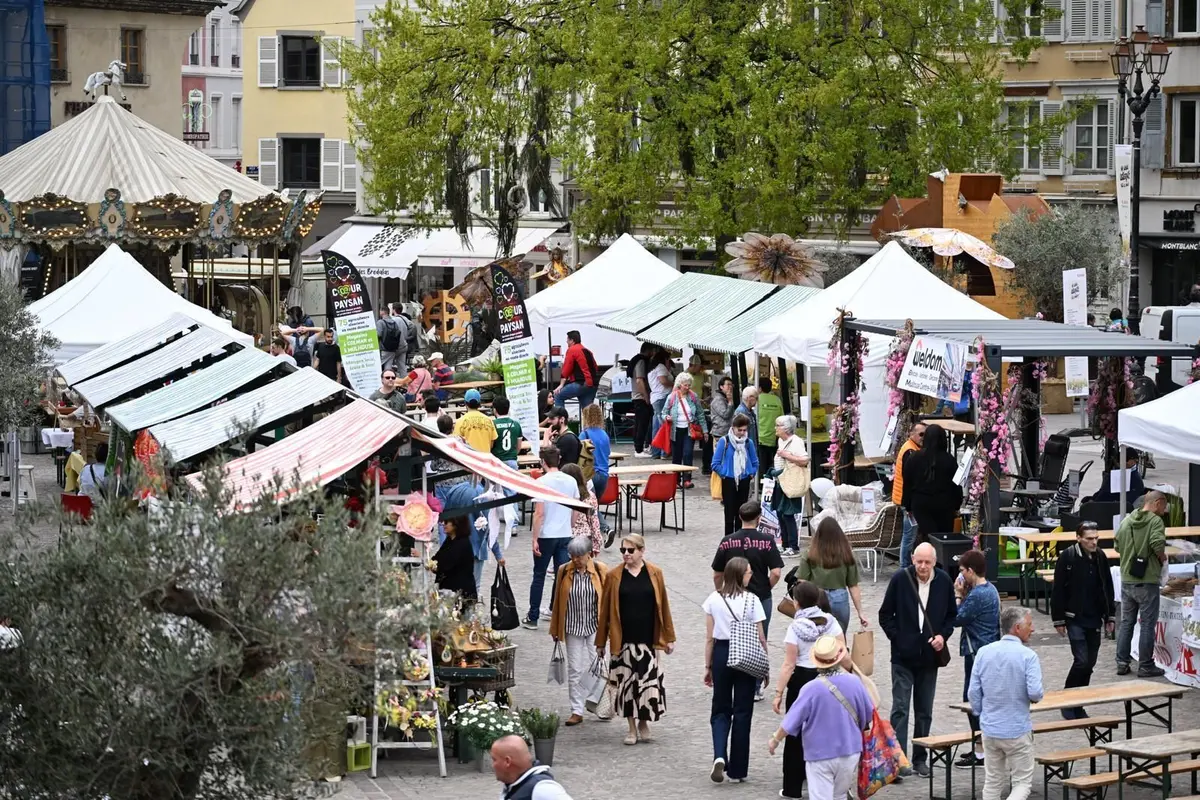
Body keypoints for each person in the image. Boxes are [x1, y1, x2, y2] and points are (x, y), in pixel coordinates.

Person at [878, 541, 956, 778]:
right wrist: (898, 639)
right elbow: (885, 615)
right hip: (902, 657)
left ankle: (920, 758)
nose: (922, 566)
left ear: (934, 562)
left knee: (924, 710)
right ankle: (898, 760)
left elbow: (951, 616)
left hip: (929, 658)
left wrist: (943, 635)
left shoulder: (943, 581)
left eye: (927, 562)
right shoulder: (900, 580)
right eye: (919, 561)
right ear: (912, 559)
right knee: (900, 708)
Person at [768, 635, 874, 800]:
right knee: (839, 796)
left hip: (820, 754)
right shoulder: (855, 683)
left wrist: (775, 739)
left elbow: (792, 721)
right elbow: (867, 714)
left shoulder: (810, 689)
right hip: (850, 750)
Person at [595, 533, 676, 746]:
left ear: (642, 551)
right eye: (623, 551)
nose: (626, 555)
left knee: (648, 686)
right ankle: (631, 728)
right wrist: (601, 642)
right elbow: (605, 611)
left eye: (630, 550)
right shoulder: (614, 576)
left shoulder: (655, 573)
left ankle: (643, 722)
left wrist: (668, 637)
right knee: (627, 688)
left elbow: (663, 607)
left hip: (648, 641)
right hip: (624, 641)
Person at [772, 582, 846, 800]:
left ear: (796, 603)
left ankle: (792, 787)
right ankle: (830, 783)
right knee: (826, 728)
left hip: (802, 680)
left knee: (795, 731)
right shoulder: (831, 622)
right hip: (827, 676)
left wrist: (778, 693)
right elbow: (842, 650)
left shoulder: (795, 628)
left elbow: (789, 664)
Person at [967, 607, 1044, 800]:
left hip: (990, 729)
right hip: (1017, 728)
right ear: (1017, 628)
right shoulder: (1028, 656)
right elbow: (1035, 692)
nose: (1032, 629)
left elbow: (973, 693)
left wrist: (981, 713)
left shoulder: (983, 653)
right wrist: (1033, 698)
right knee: (1022, 783)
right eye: (1029, 624)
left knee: (992, 781)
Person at [704, 557, 768, 784]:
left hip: (722, 652)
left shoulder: (714, 599)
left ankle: (720, 754)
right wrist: (764, 666)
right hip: (746, 654)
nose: (751, 576)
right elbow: (761, 637)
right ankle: (738, 770)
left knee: (720, 708)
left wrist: (708, 666)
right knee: (743, 712)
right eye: (749, 572)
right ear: (741, 575)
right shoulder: (753, 600)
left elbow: (709, 638)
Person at [711, 501, 784, 699]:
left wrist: (721, 592)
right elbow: (776, 572)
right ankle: (755, 685)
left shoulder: (727, 541)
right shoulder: (767, 540)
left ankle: (730, 677)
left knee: (729, 636)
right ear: (759, 518)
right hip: (760, 598)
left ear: (740, 517)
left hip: (731, 595)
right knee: (759, 639)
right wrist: (766, 586)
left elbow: (717, 573)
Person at [1052, 522, 1116, 718]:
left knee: (1090, 663)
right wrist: (1059, 619)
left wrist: (1110, 615)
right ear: (1078, 538)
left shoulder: (1100, 557)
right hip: (1074, 617)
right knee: (1081, 661)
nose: (1094, 542)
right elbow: (1058, 589)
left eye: (1096, 538)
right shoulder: (1068, 557)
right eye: (1089, 538)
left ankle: (1079, 701)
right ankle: (1068, 700)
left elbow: (1107, 586)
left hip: (1094, 617)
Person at [550, 535, 609, 726]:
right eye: (572, 555)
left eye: (579, 556)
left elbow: (608, 601)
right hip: (572, 626)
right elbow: (557, 600)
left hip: (595, 626)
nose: (575, 560)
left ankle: (600, 704)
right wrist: (555, 629)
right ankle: (577, 710)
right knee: (574, 669)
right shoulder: (563, 571)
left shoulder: (600, 570)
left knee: (597, 667)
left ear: (588, 554)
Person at [953, 549, 1001, 769]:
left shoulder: (978, 594)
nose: (961, 575)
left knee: (972, 699)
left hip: (976, 653)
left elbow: (958, 617)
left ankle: (982, 750)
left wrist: (958, 594)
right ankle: (981, 746)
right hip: (989, 650)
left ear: (971, 571)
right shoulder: (991, 589)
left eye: (962, 571)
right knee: (982, 699)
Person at [523, 446, 580, 630]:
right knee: (561, 575)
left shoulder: (541, 482)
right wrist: (570, 526)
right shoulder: (571, 481)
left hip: (547, 534)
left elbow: (539, 513)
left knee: (539, 575)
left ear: (543, 462)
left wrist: (534, 538)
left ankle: (533, 616)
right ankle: (558, 612)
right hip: (564, 533)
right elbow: (575, 508)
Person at [1115, 490, 1168, 678]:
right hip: (1147, 581)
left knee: (1127, 622)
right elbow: (1156, 543)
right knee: (1147, 624)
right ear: (1157, 502)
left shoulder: (1127, 521)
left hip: (1127, 579)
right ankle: (1146, 665)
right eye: (1164, 504)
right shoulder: (1155, 521)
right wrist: (1162, 557)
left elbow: (1116, 545)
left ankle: (1122, 662)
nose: (1165, 509)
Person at [797, 518, 868, 635]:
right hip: (840, 597)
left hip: (817, 598)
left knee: (818, 637)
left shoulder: (810, 553)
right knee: (840, 635)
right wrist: (860, 612)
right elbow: (853, 586)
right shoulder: (847, 554)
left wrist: (800, 607)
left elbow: (802, 582)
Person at [434, 476, 505, 593]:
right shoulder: (483, 495)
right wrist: (498, 554)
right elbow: (488, 528)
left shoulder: (455, 490)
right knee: (473, 588)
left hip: (455, 545)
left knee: (453, 585)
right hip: (475, 547)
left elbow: (445, 517)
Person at [901, 424, 962, 548]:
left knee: (927, 536)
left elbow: (907, 483)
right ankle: (941, 564)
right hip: (944, 505)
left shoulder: (914, 458)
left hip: (921, 504)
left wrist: (907, 505)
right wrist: (957, 505)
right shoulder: (949, 460)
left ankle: (925, 560)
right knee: (943, 539)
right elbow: (956, 485)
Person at [711, 413, 760, 535]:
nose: (742, 433)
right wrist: (724, 474)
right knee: (729, 512)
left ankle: (740, 536)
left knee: (742, 511)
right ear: (733, 428)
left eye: (744, 430)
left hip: (744, 479)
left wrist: (751, 473)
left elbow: (755, 462)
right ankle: (728, 538)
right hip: (729, 479)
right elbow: (715, 463)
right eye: (740, 430)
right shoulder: (725, 441)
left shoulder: (748, 443)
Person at [768, 415, 809, 557]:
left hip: (791, 482)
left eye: (777, 425)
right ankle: (785, 544)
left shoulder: (796, 442)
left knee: (788, 514)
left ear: (785, 428)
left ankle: (793, 546)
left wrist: (786, 455)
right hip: (781, 481)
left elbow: (804, 460)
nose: (775, 428)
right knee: (780, 513)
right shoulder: (781, 440)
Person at [491, 733, 574, 799]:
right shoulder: (513, 785)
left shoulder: (543, 789)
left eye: (494, 759)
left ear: (507, 761)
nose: (493, 765)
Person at [662, 372, 707, 488]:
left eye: (689, 385)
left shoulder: (693, 397)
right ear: (679, 384)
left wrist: (705, 430)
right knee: (676, 455)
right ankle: (676, 480)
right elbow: (663, 412)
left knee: (688, 453)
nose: (687, 387)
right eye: (685, 385)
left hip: (689, 429)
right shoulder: (672, 397)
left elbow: (700, 414)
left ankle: (687, 479)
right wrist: (667, 417)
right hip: (675, 430)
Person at [892, 421, 927, 569]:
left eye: (925, 434)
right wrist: (909, 504)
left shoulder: (913, 448)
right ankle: (904, 567)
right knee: (909, 536)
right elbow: (909, 480)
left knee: (910, 535)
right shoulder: (910, 451)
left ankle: (906, 566)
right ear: (911, 434)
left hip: (905, 498)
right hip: (906, 500)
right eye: (920, 434)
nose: (923, 437)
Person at [578, 404, 612, 539]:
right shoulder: (604, 435)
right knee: (594, 505)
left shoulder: (584, 434)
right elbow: (608, 453)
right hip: (604, 475)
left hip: (590, 474)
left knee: (591, 506)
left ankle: (605, 529)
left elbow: (579, 453)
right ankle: (597, 533)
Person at [434, 516, 481, 603]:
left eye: (447, 521)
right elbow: (437, 558)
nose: (444, 524)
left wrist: (433, 565)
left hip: (461, 594)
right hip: (450, 591)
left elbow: (446, 565)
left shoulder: (462, 543)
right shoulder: (450, 540)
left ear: (456, 524)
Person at [562, 463, 602, 555]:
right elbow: (593, 521)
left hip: (565, 534)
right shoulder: (589, 496)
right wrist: (597, 542)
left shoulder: (563, 495)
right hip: (584, 536)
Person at [554, 330, 599, 409]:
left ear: (572, 340)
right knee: (587, 411)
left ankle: (561, 419)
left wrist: (561, 385)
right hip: (592, 385)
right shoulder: (588, 351)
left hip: (580, 383)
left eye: (567, 339)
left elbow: (566, 369)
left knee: (558, 395)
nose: (566, 341)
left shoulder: (572, 350)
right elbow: (595, 367)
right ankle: (590, 421)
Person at [629, 342, 656, 457]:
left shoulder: (636, 360)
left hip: (638, 396)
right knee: (642, 424)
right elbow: (639, 380)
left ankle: (639, 448)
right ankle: (639, 449)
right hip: (640, 397)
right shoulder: (641, 362)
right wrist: (646, 396)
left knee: (640, 423)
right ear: (648, 350)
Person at [454, 388, 498, 453]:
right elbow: (491, 444)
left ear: (465, 403)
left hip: (470, 460)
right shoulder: (489, 420)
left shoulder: (460, 421)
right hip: (485, 459)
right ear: (479, 403)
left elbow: (457, 443)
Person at [756, 377, 784, 477]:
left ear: (759, 388)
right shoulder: (777, 400)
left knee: (761, 465)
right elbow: (782, 419)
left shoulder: (757, 400)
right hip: (774, 438)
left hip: (760, 438)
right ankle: (771, 485)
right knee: (772, 465)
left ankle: (761, 486)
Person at [647, 350, 673, 458]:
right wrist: (674, 384)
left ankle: (656, 451)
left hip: (655, 398)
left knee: (656, 427)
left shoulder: (651, 369)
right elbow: (663, 381)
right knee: (664, 425)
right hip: (662, 397)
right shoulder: (661, 367)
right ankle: (664, 451)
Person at [709, 376, 736, 475]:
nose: (730, 387)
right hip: (720, 433)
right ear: (721, 387)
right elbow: (725, 414)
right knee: (719, 461)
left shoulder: (724, 398)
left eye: (731, 385)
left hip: (727, 432)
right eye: (727, 385)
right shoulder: (718, 400)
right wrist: (730, 402)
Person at [377, 304, 403, 373]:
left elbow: (378, 335)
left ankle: (379, 382)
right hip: (392, 349)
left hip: (383, 349)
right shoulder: (394, 323)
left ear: (382, 312)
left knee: (377, 368)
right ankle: (387, 381)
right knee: (388, 368)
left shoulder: (380, 322)